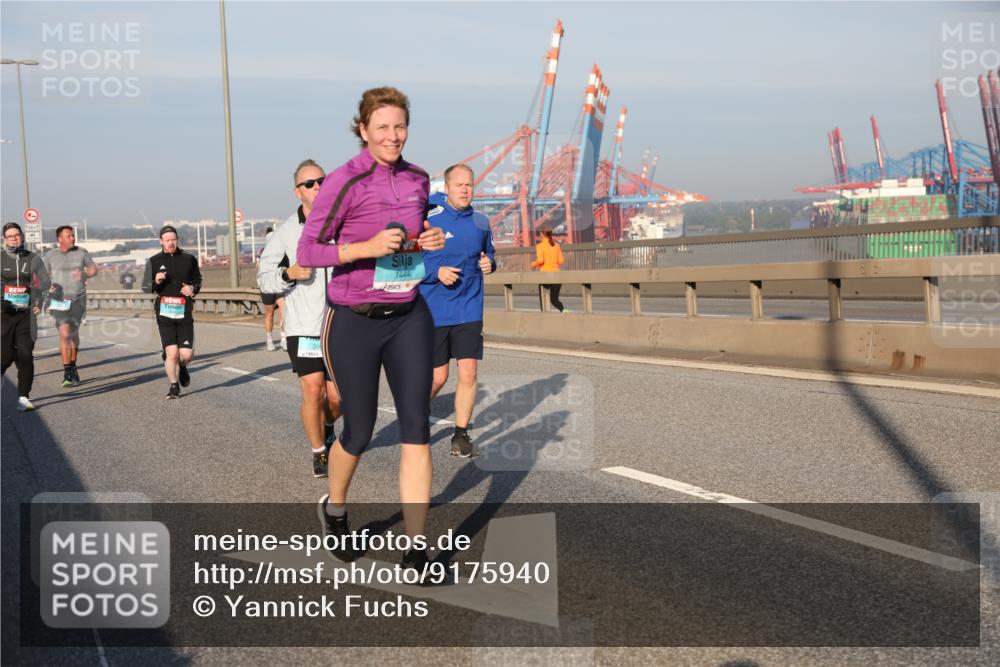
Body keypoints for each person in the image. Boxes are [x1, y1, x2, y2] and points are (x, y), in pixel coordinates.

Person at [297, 86, 445, 568]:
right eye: (382, 127)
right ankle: (336, 509)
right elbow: (308, 252)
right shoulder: (344, 181)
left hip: (408, 316)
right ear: (363, 131)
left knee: (416, 429)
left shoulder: (420, 179)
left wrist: (427, 240)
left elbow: (411, 241)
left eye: (400, 126)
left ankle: (418, 546)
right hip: (354, 321)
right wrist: (365, 248)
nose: (393, 135)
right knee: (358, 430)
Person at [257, 159, 342, 478]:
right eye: (310, 183)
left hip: (340, 324)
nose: (318, 186)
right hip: (304, 328)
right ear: (298, 192)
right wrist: (288, 274)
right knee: (313, 389)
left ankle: (329, 424)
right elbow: (264, 278)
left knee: (337, 398)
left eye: (322, 180)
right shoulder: (284, 233)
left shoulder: (343, 224)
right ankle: (319, 453)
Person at [420, 163, 495, 458]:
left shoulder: (481, 221)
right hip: (435, 308)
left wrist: (490, 262)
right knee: (438, 377)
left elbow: (488, 252)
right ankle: (417, 411)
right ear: (447, 188)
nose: (465, 189)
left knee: (469, 371)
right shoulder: (429, 219)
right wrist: (436, 271)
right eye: (459, 185)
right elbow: (410, 260)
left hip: (469, 307)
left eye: (469, 185)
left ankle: (460, 435)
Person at [142, 225, 202, 399]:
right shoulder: (154, 261)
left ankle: (183, 367)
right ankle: (174, 386)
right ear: (161, 241)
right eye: (167, 240)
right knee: (172, 353)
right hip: (164, 313)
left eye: (173, 240)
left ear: (177, 240)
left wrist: (193, 288)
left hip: (184, 312)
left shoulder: (188, 258)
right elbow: (146, 287)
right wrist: (156, 281)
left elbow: (198, 279)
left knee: (186, 355)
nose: (171, 243)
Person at [1, 222, 51, 411]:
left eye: (17, 234)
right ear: (4, 239)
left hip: (26, 314)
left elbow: (44, 283)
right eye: (10, 236)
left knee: (25, 355)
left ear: (22, 236)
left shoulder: (34, 259)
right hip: (4, 314)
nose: (14, 238)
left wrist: (37, 302)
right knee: (4, 357)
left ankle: (23, 397)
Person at [43, 226, 98, 386]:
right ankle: (67, 370)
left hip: (78, 299)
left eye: (73, 235)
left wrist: (85, 274)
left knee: (73, 333)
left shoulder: (82, 252)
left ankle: (73, 365)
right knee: (65, 333)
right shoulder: (50, 255)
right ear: (59, 238)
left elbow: (94, 269)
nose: (72, 238)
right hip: (59, 299)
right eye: (69, 236)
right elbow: (43, 275)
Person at [258, 226, 286, 351]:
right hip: (267, 287)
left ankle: (283, 338)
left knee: (284, 312)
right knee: (269, 314)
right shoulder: (263, 252)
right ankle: (269, 340)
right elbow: (258, 268)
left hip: (279, 285)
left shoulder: (282, 250)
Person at [531, 228, 566, 312]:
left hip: (545, 275)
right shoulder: (556, 245)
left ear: (542, 235)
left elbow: (540, 261)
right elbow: (561, 261)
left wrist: (533, 264)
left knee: (543, 300)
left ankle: (544, 317)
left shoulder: (540, 246)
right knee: (554, 300)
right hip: (556, 275)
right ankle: (564, 311)